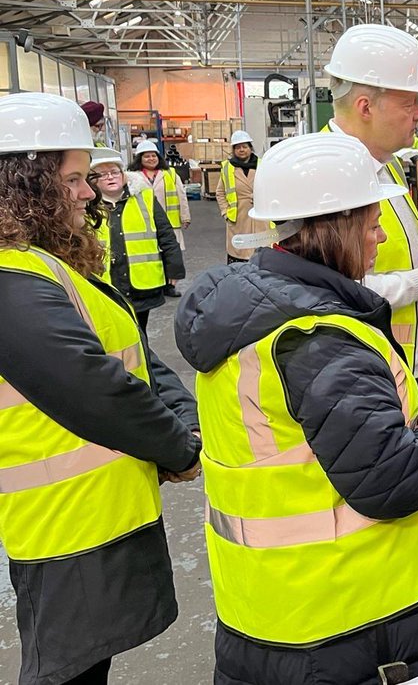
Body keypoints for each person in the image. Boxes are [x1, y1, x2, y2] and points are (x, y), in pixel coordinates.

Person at [175, 133, 418, 685]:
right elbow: (399, 478)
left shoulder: (244, 316)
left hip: (270, 611)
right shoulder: (318, 342)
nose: (381, 236)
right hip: (368, 622)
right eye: (371, 225)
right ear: (335, 228)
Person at [0, 93, 201, 685]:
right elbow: (93, 386)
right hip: (64, 522)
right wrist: (179, 447)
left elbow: (131, 354)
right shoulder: (12, 279)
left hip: (94, 513)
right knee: (67, 672)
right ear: (24, 184)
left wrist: (183, 416)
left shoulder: (42, 264)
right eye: (73, 179)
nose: (87, 193)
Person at [325, 24, 418, 404]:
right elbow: (326, 294)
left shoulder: (384, 164)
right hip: (366, 375)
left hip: (401, 365)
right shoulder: (329, 178)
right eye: (410, 104)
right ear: (365, 107)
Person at [88, 149, 184, 333]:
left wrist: (174, 268)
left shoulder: (144, 197)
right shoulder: (86, 205)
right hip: (105, 283)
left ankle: (142, 361)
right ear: (93, 180)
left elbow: (165, 234)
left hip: (140, 283)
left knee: (139, 330)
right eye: (102, 174)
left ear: (123, 174)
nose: (110, 177)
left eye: (114, 172)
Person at [128, 139, 190, 268]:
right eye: (146, 156)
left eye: (153, 155)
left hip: (170, 223)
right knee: (151, 255)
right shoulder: (132, 176)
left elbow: (181, 196)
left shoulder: (171, 174)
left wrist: (185, 217)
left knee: (171, 256)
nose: (151, 159)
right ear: (140, 159)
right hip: (144, 223)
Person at [216, 130, 270, 264]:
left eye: (245, 146)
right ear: (233, 150)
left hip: (260, 217)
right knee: (239, 254)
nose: (241, 150)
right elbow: (220, 192)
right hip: (238, 219)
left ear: (250, 148)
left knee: (262, 253)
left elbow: (272, 187)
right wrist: (225, 212)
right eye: (238, 147)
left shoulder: (263, 165)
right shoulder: (227, 168)